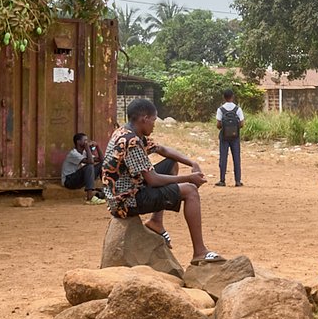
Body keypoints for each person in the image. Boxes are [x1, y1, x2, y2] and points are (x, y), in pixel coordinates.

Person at [102, 97, 225, 265]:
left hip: (128, 190)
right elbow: (152, 180)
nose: (154, 124)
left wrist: (192, 163)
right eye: (153, 120)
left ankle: (156, 222)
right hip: (126, 202)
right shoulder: (131, 141)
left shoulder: (127, 132)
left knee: (171, 164)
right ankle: (199, 252)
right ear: (144, 118)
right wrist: (189, 178)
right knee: (190, 191)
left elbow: (162, 149)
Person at [215, 89, 245, 187]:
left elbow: (218, 124)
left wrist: (225, 127)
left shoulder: (220, 109)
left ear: (224, 97)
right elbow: (242, 124)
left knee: (223, 158)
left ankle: (222, 180)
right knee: (236, 158)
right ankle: (237, 181)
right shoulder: (238, 109)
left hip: (224, 137)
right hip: (235, 137)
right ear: (233, 97)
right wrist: (234, 128)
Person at [59, 133, 102, 201]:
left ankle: (106, 190)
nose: (87, 142)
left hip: (78, 180)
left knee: (102, 164)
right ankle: (89, 197)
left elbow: (101, 160)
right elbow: (90, 162)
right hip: (69, 181)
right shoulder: (73, 153)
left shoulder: (84, 152)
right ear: (78, 142)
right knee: (89, 166)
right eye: (85, 140)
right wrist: (87, 147)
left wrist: (97, 146)